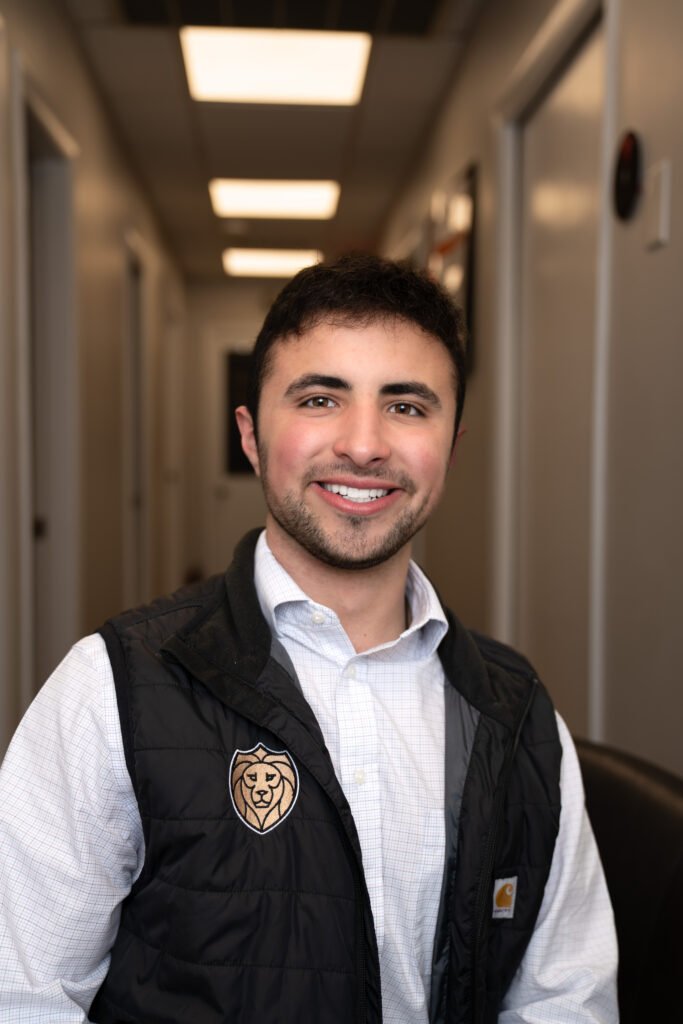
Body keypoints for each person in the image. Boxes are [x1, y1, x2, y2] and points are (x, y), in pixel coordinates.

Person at [0, 254, 618, 1023]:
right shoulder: (113, 689)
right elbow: (24, 995)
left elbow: (566, 999)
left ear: (451, 447)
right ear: (252, 435)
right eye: (321, 398)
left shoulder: (518, 714)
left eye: (406, 406)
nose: (363, 445)